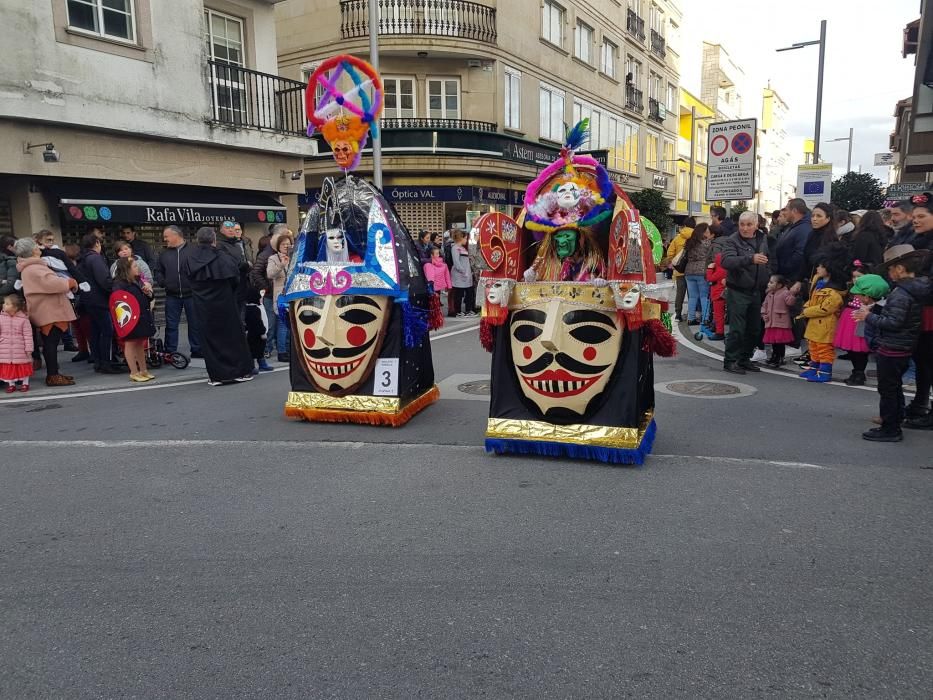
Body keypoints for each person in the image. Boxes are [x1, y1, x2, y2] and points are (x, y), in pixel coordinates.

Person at [853, 245, 931, 441]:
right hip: (903, 345)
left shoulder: (902, 293)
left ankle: (890, 428)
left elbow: (894, 322)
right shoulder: (916, 289)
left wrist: (868, 316)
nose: (889, 273)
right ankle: (895, 420)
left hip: (893, 347)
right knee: (893, 387)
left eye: (890, 268)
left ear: (900, 269)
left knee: (888, 388)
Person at [184, 226, 253, 386]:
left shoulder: (190, 257)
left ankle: (216, 376)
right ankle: (239, 372)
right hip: (225, 302)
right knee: (232, 337)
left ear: (198, 240)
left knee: (210, 339)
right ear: (214, 240)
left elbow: (187, 278)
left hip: (202, 304)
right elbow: (234, 278)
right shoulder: (222, 257)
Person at [15, 238, 77, 386]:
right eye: (36, 245)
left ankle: (54, 372)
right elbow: (52, 283)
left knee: (51, 342)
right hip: (49, 310)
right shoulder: (35, 268)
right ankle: (53, 375)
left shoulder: (30, 267)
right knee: (51, 342)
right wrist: (69, 282)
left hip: (46, 308)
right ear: (32, 250)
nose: (39, 247)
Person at [720, 211, 771, 374]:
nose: (745, 228)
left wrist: (769, 276)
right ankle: (730, 361)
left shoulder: (763, 238)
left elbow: (770, 258)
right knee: (737, 328)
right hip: (738, 290)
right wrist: (750, 258)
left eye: (749, 224)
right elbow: (726, 261)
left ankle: (744, 358)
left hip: (757, 290)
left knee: (754, 328)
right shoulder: (732, 240)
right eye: (742, 224)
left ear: (757, 225)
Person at [796, 245, 849, 383]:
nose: (817, 268)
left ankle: (824, 371)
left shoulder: (834, 291)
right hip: (815, 323)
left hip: (825, 324)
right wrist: (806, 306)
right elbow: (812, 299)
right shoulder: (818, 282)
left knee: (824, 348)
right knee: (813, 346)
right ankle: (814, 368)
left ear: (829, 269)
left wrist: (807, 311)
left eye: (820, 266)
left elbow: (825, 308)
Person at [904, 193, 933, 427]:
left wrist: (907, 281)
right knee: (922, 360)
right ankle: (920, 403)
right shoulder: (918, 240)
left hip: (930, 309)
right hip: (922, 309)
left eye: (921, 216)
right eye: (914, 216)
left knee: (928, 361)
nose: (915, 220)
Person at [154, 225, 201, 359]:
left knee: (195, 323)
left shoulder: (194, 250)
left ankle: (197, 349)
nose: (164, 239)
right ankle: (170, 351)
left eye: (166, 236)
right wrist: (163, 282)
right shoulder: (164, 253)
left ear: (176, 235)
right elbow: (158, 271)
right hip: (172, 295)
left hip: (192, 294)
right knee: (171, 324)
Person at [836, 270, 889, 386]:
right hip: (854, 319)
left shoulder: (879, 307)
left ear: (867, 295)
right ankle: (856, 372)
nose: (856, 296)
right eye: (853, 276)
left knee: (861, 350)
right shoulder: (871, 303)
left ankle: (859, 372)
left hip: (865, 323)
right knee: (853, 349)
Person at [77, 233, 119, 374]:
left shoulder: (82, 259)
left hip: (88, 300)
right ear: (96, 243)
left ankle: (98, 360)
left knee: (95, 331)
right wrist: (113, 290)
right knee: (107, 331)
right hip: (100, 300)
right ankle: (106, 362)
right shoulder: (96, 259)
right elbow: (104, 280)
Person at [111, 257, 155, 383]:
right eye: (135, 266)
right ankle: (134, 372)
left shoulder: (137, 281)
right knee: (130, 344)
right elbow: (119, 303)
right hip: (130, 320)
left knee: (140, 344)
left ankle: (143, 370)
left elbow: (146, 298)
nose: (138, 268)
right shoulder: (119, 284)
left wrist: (148, 293)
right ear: (127, 269)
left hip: (141, 316)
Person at [265, 230, 294, 362]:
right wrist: (281, 265)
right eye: (283, 244)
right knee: (282, 324)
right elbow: (270, 274)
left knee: (291, 324)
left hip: (292, 293)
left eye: (288, 244)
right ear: (278, 246)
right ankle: (282, 351)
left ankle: (289, 349)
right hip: (281, 295)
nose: (286, 246)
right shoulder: (273, 258)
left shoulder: (294, 256)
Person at [761, 274, 797, 367]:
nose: (769, 284)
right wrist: (764, 314)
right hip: (771, 321)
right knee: (774, 342)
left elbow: (790, 302)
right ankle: (774, 356)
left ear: (779, 285)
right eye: (769, 282)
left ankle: (780, 357)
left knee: (780, 342)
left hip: (781, 322)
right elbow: (764, 305)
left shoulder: (785, 293)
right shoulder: (769, 293)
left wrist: (792, 294)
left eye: (771, 282)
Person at [0, 293, 34, 393]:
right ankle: (11, 384)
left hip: (20, 348)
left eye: (7, 304)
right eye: (4, 303)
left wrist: (29, 348)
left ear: (15, 307)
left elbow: (28, 335)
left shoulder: (23, 319)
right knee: (9, 367)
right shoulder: (1, 318)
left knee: (22, 366)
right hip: (5, 347)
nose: (3, 305)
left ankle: (25, 383)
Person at [774, 198, 811, 282]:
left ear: (794, 211)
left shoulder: (804, 228)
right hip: (787, 276)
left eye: (786, 209)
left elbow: (801, 254)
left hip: (792, 278)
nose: (784, 212)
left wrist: (785, 268)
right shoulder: (795, 226)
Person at [218, 220, 251, 314]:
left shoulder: (236, 244)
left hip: (241, 285)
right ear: (221, 230)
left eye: (232, 228)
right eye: (227, 228)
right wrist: (246, 264)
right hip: (229, 287)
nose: (231, 230)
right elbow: (229, 265)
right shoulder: (220, 245)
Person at [683, 222, 712, 326]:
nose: (709, 233)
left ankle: (691, 319)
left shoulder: (689, 242)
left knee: (692, 297)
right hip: (701, 271)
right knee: (704, 296)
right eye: (708, 231)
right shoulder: (707, 243)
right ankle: (705, 318)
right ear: (704, 232)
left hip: (689, 272)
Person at [800, 203, 837, 283]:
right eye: (813, 216)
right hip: (809, 280)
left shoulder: (831, 238)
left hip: (823, 282)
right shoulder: (811, 234)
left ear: (828, 218)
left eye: (819, 216)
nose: (814, 219)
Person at [665, 217, 693, 321]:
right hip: (692, 271)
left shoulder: (677, 238)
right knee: (692, 295)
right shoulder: (697, 237)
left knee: (680, 294)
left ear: (684, 226)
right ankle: (692, 315)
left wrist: (674, 262)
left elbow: (669, 253)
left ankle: (678, 314)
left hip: (679, 271)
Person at [244, 288, 274, 374]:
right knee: (257, 350)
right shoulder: (255, 309)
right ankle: (255, 366)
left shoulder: (249, 308)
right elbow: (259, 322)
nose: (261, 299)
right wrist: (262, 332)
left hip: (252, 334)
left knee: (257, 350)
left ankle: (259, 365)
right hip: (257, 335)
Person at [449, 230, 475, 317]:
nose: (466, 240)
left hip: (466, 275)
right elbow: (456, 262)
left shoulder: (463, 248)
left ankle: (468, 310)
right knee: (459, 295)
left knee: (469, 293)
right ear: (461, 238)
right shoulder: (455, 248)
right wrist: (463, 271)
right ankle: (458, 311)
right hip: (460, 276)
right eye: (465, 238)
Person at [423, 245, 452, 316]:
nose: (438, 255)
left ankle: (436, 316)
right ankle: (433, 316)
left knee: (437, 302)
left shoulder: (443, 265)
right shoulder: (428, 265)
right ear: (431, 255)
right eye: (436, 253)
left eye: (438, 253)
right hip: (431, 287)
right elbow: (428, 277)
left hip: (438, 287)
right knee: (431, 303)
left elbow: (447, 275)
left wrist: (449, 286)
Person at [0, 235, 19, 303]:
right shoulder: (12, 261)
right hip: (8, 302)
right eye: (18, 245)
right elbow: (11, 285)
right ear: (10, 247)